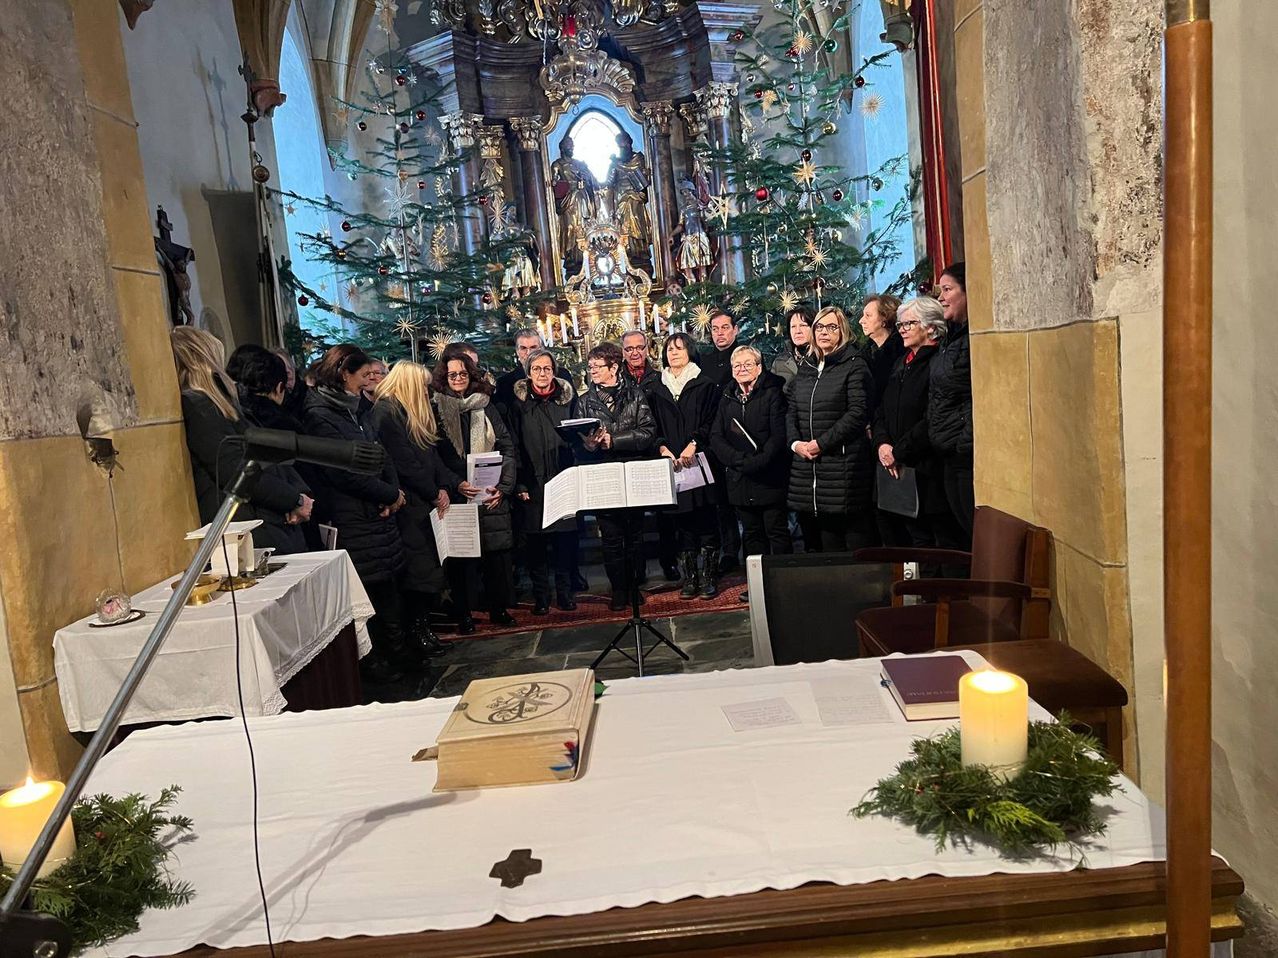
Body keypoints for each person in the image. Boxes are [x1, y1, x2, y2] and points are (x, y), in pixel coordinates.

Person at [302, 344, 411, 684]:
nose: (369, 383)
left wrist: (394, 492)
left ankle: (401, 656)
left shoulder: (359, 408)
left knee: (389, 589)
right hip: (352, 517)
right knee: (368, 595)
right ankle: (378, 666)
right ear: (343, 374)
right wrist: (388, 493)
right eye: (363, 376)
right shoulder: (320, 414)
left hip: (379, 512)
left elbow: (381, 453)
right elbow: (343, 472)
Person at [171, 329, 314, 557]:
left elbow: (266, 458)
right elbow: (236, 470)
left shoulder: (219, 403)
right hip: (249, 526)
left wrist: (296, 497)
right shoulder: (200, 405)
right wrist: (292, 499)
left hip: (265, 520)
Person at [367, 361, 463, 659]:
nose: (426, 393)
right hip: (410, 505)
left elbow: (429, 456)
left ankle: (423, 630)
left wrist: (447, 486)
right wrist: (433, 493)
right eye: (421, 387)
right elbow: (405, 463)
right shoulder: (387, 413)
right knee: (418, 572)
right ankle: (416, 633)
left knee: (429, 571)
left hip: (424, 502)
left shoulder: (407, 413)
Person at [432, 350, 519, 630]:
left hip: (489, 491)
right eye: (452, 374)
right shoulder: (436, 408)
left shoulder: (486, 405)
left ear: (471, 375)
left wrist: (503, 487)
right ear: (443, 377)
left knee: (496, 560)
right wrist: (455, 482)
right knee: (461, 561)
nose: (458, 379)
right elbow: (432, 456)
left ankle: (498, 609)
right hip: (456, 493)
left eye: (463, 374)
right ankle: (464, 613)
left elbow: (506, 445)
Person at [575, 342, 657, 610]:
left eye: (598, 366)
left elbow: (647, 433)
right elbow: (575, 442)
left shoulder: (635, 395)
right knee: (610, 537)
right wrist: (586, 446)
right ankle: (618, 589)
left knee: (634, 535)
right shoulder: (585, 402)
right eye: (590, 367)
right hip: (603, 476)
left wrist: (615, 440)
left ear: (614, 367)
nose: (593, 371)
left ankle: (634, 586)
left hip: (631, 472)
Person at [786, 306, 876, 552]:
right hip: (810, 467)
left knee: (854, 542)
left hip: (844, 465)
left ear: (843, 330)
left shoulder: (854, 365)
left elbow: (858, 412)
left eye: (831, 327)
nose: (824, 332)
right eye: (819, 327)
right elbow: (791, 411)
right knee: (828, 542)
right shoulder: (807, 367)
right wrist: (796, 444)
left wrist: (821, 443)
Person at [710, 345, 791, 601]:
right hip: (739, 478)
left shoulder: (773, 394)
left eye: (748, 364)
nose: (742, 369)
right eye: (737, 366)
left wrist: (757, 462)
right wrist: (738, 461)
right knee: (752, 535)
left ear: (759, 367)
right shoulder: (727, 396)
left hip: (769, 476)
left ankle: (782, 586)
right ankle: (757, 586)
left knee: (776, 532)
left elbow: (778, 436)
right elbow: (716, 436)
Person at [647, 331, 722, 599]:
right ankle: (691, 579)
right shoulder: (656, 388)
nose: (673, 353)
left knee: (706, 521)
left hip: (700, 461)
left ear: (690, 351)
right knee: (682, 524)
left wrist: (694, 443)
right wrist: (663, 447)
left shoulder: (705, 384)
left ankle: (710, 576)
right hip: (672, 463)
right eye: (669, 349)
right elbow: (651, 424)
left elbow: (713, 421)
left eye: (679, 348)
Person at [872, 298, 946, 550]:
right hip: (891, 465)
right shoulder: (901, 362)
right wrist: (882, 444)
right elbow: (881, 408)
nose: (902, 329)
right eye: (901, 324)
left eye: (910, 323)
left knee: (927, 542)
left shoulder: (937, 362)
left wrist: (898, 452)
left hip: (923, 468)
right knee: (897, 538)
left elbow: (931, 418)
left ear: (931, 327)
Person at [509, 349, 579, 614]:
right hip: (533, 481)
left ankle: (564, 593)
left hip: (563, 478)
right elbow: (513, 445)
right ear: (528, 373)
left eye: (547, 369)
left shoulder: (566, 401)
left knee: (565, 541)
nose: (542, 374)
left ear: (554, 371)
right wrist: (520, 483)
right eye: (536, 369)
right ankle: (541, 596)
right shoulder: (519, 405)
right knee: (536, 544)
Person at [929, 263, 974, 543]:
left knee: (973, 533)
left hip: (963, 452)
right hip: (948, 450)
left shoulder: (972, 339)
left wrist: (962, 440)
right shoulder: (952, 337)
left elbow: (976, 394)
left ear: (968, 291)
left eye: (948, 290)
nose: (941, 297)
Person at [699, 309, 744, 572]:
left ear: (735, 330)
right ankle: (729, 550)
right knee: (721, 500)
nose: (720, 333)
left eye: (725, 328)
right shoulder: (704, 361)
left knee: (742, 497)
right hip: (713, 438)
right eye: (715, 329)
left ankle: (752, 552)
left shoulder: (744, 356)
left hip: (739, 435)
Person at [858, 294, 904, 415]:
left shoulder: (902, 352)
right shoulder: (863, 356)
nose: (861, 321)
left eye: (868, 316)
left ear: (885, 319)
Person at [494, 327, 544, 419]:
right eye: (523, 348)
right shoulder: (505, 383)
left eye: (533, 347)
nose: (529, 353)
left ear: (541, 349)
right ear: (517, 351)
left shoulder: (561, 375)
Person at [770, 306, 814, 388]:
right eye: (793, 327)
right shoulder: (780, 361)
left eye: (803, 325)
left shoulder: (823, 358)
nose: (797, 331)